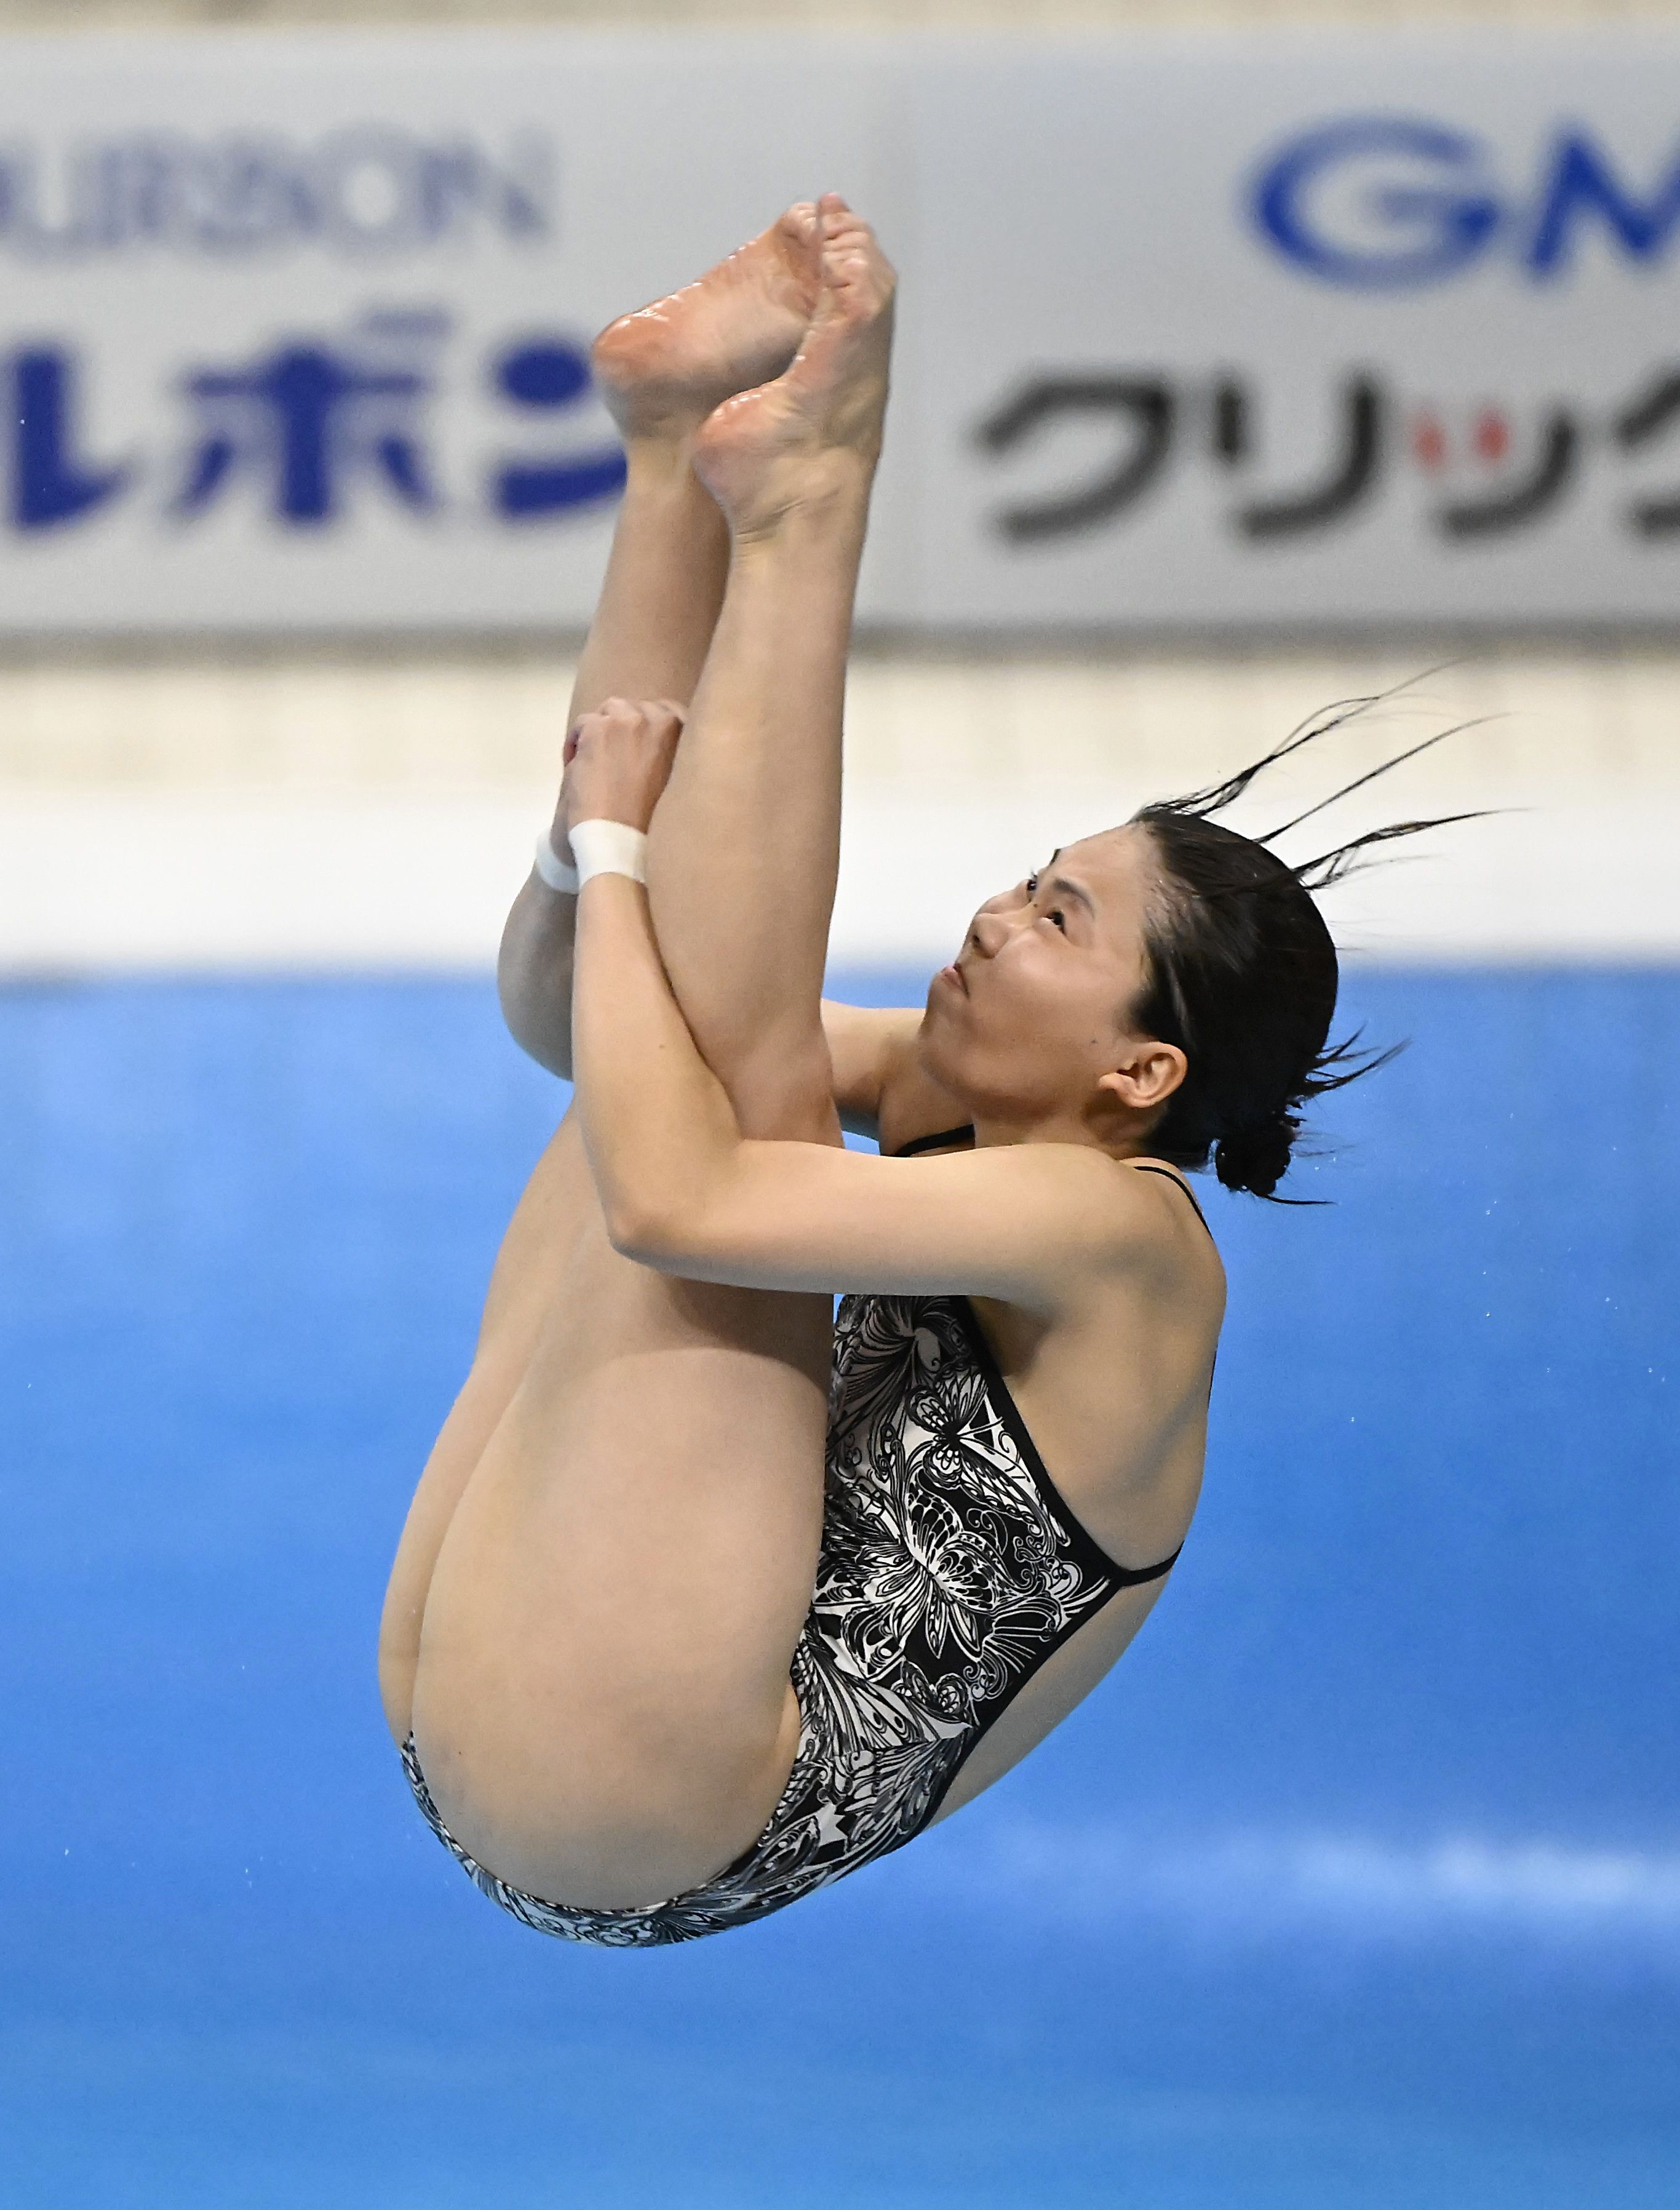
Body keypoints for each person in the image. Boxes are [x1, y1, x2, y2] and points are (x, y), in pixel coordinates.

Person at [377, 196, 1431, 1947]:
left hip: (650, 1796)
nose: (996, 919)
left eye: (1059, 921)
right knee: (693, 1043)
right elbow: (573, 1030)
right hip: (519, 1686)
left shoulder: (1128, 1242)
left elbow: (679, 1200)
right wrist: (588, 862)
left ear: (1142, 1069)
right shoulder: (972, 1114)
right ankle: (673, 457)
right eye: (1029, 880)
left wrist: (621, 859)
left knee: (735, 1088)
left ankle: (806, 510)